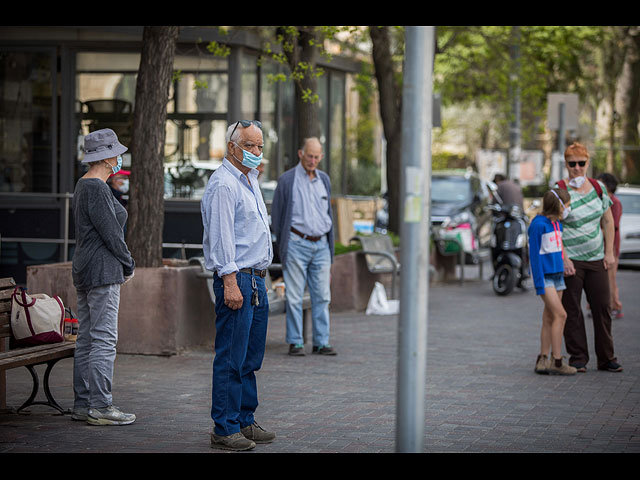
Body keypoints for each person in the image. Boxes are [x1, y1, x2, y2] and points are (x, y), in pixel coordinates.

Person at [201, 120, 276, 451]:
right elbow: (221, 238)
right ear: (231, 147)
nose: (256, 153)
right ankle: (225, 426)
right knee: (232, 355)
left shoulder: (250, 180)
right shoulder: (224, 184)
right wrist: (230, 282)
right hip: (238, 279)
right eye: (249, 146)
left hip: (256, 280)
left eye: (260, 147)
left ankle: (245, 420)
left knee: (250, 357)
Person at [71, 128, 136, 425]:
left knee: (87, 338)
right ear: (108, 157)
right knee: (103, 340)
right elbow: (111, 233)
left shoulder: (83, 185)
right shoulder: (96, 188)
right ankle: (101, 405)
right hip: (102, 270)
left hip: (85, 268)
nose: (120, 157)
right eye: (117, 153)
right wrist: (128, 263)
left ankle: (83, 405)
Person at [556, 142, 623, 373]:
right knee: (572, 309)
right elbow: (554, 227)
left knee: (602, 307)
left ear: (587, 163)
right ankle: (578, 358)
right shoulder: (559, 189)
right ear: (566, 164)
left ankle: (607, 358)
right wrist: (564, 258)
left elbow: (607, 220)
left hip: (596, 259)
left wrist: (609, 252)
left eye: (581, 163)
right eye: (572, 163)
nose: (576, 168)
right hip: (571, 260)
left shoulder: (598, 188)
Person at [271, 137, 336, 356]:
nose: (313, 160)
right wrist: (283, 245)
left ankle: (321, 342)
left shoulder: (324, 180)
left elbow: (328, 214)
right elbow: (278, 217)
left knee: (322, 295)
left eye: (317, 157)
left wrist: (329, 244)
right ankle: (296, 341)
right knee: (295, 296)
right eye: (310, 156)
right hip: (297, 243)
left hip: (321, 244)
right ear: (301, 154)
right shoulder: (287, 180)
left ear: (322, 157)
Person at [528, 188, 576, 375]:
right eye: (567, 204)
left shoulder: (557, 224)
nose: (569, 208)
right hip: (546, 278)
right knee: (561, 315)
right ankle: (557, 361)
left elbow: (559, 247)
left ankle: (543, 359)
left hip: (558, 277)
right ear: (558, 205)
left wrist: (565, 260)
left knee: (549, 317)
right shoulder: (538, 225)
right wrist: (539, 284)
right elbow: (534, 257)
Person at [597, 173, 623, 319]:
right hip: (602, 246)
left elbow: (614, 225)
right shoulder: (603, 200)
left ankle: (615, 306)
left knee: (610, 279)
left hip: (611, 247)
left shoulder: (614, 202)